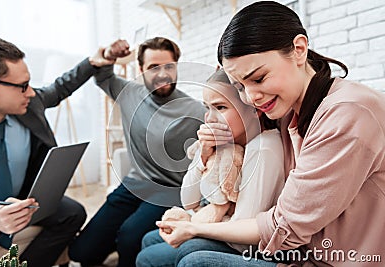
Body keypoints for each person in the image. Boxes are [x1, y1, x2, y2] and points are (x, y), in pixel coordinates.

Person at [156, 1, 385, 266]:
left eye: (259, 78)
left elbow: (284, 228)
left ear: (299, 49)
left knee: (194, 260)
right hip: (305, 250)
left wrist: (195, 228)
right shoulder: (289, 110)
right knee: (186, 250)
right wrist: (206, 154)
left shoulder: (347, 114)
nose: (251, 97)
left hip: (340, 259)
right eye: (240, 86)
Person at [68, 37, 206, 267]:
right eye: (153, 67)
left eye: (169, 66)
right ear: (140, 69)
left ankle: (123, 241)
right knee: (82, 252)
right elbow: (102, 76)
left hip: (170, 190)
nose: (162, 74)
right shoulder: (129, 92)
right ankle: (111, 239)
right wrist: (110, 54)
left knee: (130, 237)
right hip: (135, 184)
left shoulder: (194, 109)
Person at [136, 69, 285, 267]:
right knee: (149, 239)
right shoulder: (226, 144)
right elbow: (188, 201)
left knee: (148, 258)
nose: (210, 118)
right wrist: (203, 156)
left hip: (249, 247)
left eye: (221, 107)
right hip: (223, 227)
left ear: (254, 108)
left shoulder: (263, 149)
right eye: (207, 107)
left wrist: (192, 227)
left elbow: (241, 239)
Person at [0, 35, 90, 266]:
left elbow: (61, 87)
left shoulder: (30, 105)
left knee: (73, 212)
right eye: (23, 86)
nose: (31, 92)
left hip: (24, 197)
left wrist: (94, 62)